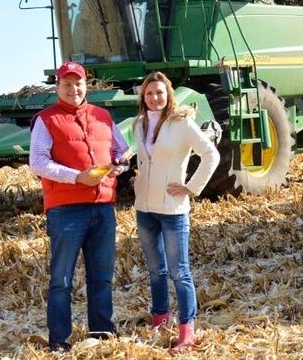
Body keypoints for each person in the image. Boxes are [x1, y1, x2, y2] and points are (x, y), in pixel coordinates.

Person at [29, 61, 131, 351]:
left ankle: (102, 335)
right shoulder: (46, 120)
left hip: (103, 207)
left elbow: (123, 150)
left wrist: (119, 166)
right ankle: (59, 342)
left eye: (78, 83)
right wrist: (77, 177)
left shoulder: (102, 116)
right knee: (61, 280)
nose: (73, 89)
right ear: (57, 87)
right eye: (67, 84)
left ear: (87, 85)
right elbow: (38, 162)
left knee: (102, 277)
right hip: (66, 210)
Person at [132, 71, 219, 354]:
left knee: (179, 272)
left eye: (159, 92)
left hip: (172, 210)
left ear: (168, 94)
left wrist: (191, 187)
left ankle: (187, 331)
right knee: (155, 271)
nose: (154, 98)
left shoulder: (181, 123)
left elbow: (211, 154)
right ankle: (160, 321)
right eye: (149, 93)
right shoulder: (139, 124)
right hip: (144, 209)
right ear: (143, 97)